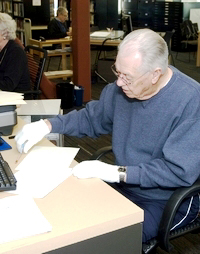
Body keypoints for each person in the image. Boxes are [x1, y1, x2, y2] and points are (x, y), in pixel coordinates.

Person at [15, 29, 200, 243]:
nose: (119, 83)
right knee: (73, 217)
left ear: (155, 74)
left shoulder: (191, 102)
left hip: (167, 199)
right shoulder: (122, 89)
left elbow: (177, 171)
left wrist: (118, 172)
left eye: (127, 77)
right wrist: (47, 125)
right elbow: (92, 118)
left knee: (110, 239)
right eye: (117, 72)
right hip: (125, 185)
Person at [0, 13, 30, 93]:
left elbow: (8, 85)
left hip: (16, 98)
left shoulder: (16, 53)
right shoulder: (2, 49)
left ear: (5, 34)